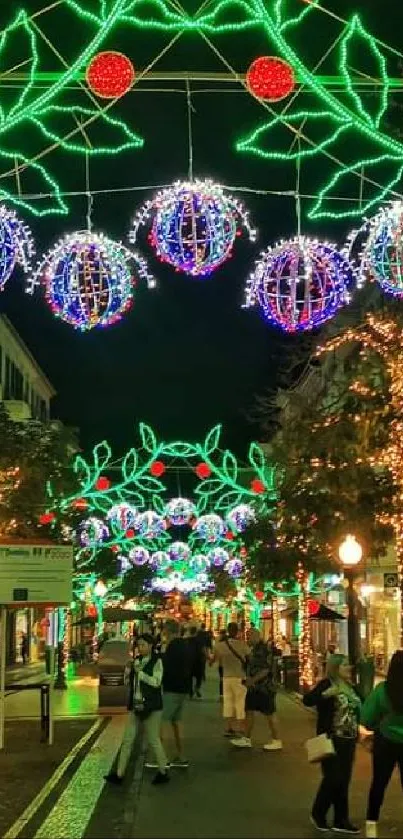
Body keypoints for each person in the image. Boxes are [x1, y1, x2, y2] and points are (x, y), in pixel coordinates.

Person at [303, 654, 361, 834]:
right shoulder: (327, 684)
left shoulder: (351, 687)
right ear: (335, 667)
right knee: (333, 778)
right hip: (332, 738)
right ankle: (318, 812)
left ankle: (341, 819)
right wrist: (325, 695)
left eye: (348, 664)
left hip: (349, 739)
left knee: (343, 780)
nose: (348, 667)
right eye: (344, 665)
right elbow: (308, 700)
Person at [105, 634, 169, 786]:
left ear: (151, 646)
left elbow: (157, 682)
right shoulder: (136, 662)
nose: (140, 648)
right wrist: (128, 672)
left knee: (154, 740)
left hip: (152, 707)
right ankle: (119, 774)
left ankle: (163, 771)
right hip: (136, 705)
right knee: (127, 740)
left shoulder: (157, 661)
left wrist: (141, 673)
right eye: (139, 645)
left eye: (143, 645)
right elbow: (129, 682)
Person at [362, 650, 403, 839]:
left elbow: (367, 718)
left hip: (385, 741)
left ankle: (371, 823)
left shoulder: (383, 690)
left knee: (379, 782)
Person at [147, 619, 190, 769]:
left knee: (161, 721)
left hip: (172, 688)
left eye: (164, 631)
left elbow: (167, 666)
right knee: (176, 722)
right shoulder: (185, 645)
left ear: (167, 632)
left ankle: (161, 758)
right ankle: (181, 755)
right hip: (183, 688)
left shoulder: (172, 646)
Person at [232, 627, 282, 751]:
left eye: (249, 636)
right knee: (249, 710)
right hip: (254, 688)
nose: (246, 639)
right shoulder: (255, 649)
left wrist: (252, 680)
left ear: (256, 636)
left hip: (264, 688)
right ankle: (246, 738)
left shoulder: (263, 649)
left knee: (270, 713)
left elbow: (266, 669)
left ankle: (276, 740)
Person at [214, 622, 249, 740]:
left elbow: (215, 658)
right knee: (240, 702)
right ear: (237, 631)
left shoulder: (220, 645)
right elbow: (250, 657)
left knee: (228, 702)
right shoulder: (242, 645)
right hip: (240, 676)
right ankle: (241, 727)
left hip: (226, 676)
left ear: (228, 631)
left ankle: (228, 727)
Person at [188, 626, 204, 699]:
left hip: (190, 660)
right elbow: (203, 650)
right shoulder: (199, 640)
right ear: (196, 632)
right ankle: (197, 687)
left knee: (189, 677)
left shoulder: (187, 640)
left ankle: (190, 691)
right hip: (198, 660)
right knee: (199, 676)